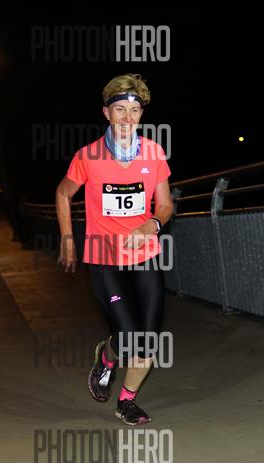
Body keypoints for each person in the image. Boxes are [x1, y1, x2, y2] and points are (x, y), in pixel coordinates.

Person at [54, 74, 173, 425]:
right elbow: (63, 193)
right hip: (105, 259)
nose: (127, 118)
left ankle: (126, 401)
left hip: (145, 255)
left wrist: (152, 224)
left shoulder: (153, 153)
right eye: (119, 109)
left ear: (141, 114)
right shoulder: (88, 156)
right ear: (106, 113)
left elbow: (165, 205)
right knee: (128, 337)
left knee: (147, 342)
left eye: (134, 110)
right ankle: (106, 358)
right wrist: (67, 237)